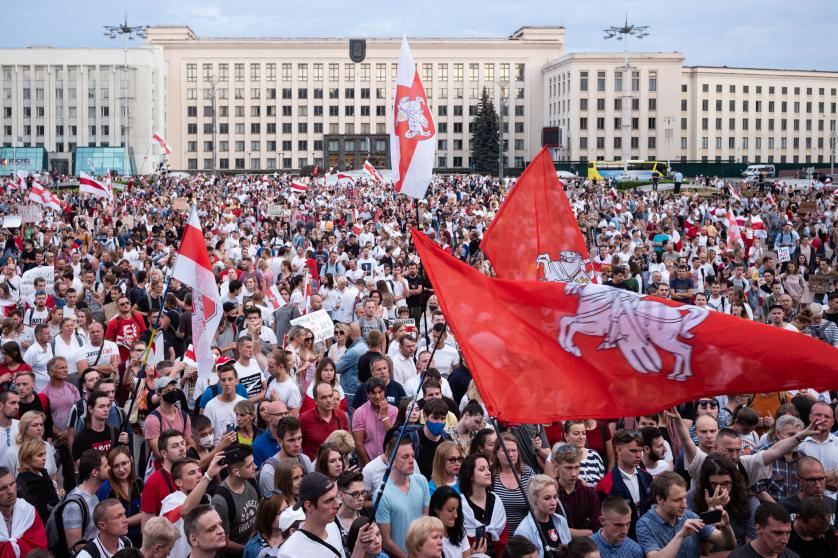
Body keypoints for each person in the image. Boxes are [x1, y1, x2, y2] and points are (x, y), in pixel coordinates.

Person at [278, 471, 379, 558]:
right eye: (329, 500)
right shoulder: (289, 553)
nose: (336, 505)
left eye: (335, 498)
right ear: (308, 506)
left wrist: (359, 546)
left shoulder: (332, 527)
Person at [636, 471, 735, 558]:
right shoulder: (645, 525)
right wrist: (680, 535)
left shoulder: (689, 515)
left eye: (684, 497)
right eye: (677, 500)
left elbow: (728, 544)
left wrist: (726, 526)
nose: (685, 505)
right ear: (659, 499)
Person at [375, 436, 430, 558]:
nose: (412, 461)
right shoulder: (382, 494)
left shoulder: (422, 481)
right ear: (391, 461)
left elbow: (425, 521)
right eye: (405, 457)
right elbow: (385, 541)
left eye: (412, 456)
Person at [161, 454, 226, 558]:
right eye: (192, 473)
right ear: (179, 482)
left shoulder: (205, 498)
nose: (199, 475)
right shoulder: (171, 501)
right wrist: (208, 476)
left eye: (199, 471)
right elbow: (185, 511)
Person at [211, 444, 260, 555]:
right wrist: (250, 550)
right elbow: (224, 543)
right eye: (249, 465)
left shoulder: (251, 480)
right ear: (236, 472)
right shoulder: (220, 501)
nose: (255, 467)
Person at [62, 449, 110, 555]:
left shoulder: (93, 495)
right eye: (106, 466)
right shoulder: (73, 506)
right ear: (94, 472)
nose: (109, 468)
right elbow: (74, 548)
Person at [459, 451, 508, 557]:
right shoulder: (461, 505)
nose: (488, 472)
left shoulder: (496, 501)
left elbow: (504, 538)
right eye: (482, 469)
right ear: (470, 475)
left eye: (488, 468)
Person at [513, 475, 571, 558]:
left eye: (555, 497)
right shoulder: (523, 531)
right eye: (547, 498)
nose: (553, 503)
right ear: (534, 500)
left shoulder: (561, 521)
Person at [96, 446, 143, 548]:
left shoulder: (138, 482)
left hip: (139, 539)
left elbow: (144, 514)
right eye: (116, 466)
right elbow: (104, 521)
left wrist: (122, 522)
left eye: (124, 463)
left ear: (131, 461)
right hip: (116, 542)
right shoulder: (106, 489)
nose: (121, 469)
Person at [259, 416, 314, 499]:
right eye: (291, 440)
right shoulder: (269, 472)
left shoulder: (304, 460)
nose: (297, 444)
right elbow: (271, 508)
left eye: (299, 438)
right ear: (280, 442)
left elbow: (312, 491)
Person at [552, 443, 600, 538]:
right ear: (557, 466)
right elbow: (548, 529)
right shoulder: (550, 493)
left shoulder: (589, 494)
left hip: (584, 548)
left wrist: (565, 531)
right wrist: (586, 532)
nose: (574, 474)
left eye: (577, 467)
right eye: (568, 468)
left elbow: (598, 530)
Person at [140, 429, 187, 526]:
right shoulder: (153, 482)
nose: (182, 448)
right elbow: (146, 526)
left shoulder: (191, 472)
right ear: (164, 454)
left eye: (183, 443)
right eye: (175, 446)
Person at [0, 465, 47, 557]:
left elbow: (40, 548)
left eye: (12, 484)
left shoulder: (28, 512)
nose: (10, 491)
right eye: (3, 488)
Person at [429, 485, 486, 558]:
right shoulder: (428, 537)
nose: (455, 515)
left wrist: (474, 555)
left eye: (457, 510)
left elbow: (466, 556)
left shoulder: (460, 532)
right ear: (436, 509)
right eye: (450, 510)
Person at [352, 377, 398, 466]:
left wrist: (384, 416)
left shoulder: (394, 411)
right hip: (368, 463)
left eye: (380, 392)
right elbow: (358, 443)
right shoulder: (360, 412)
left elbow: (394, 437)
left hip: (390, 463)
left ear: (384, 392)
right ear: (368, 394)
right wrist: (369, 465)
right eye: (373, 393)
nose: (377, 396)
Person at [728, 502, 799, 557]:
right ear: (758, 528)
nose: (785, 541)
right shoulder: (737, 556)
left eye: (788, 533)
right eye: (778, 533)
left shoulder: (792, 556)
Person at [299, 382, 349, 460]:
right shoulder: (304, 419)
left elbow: (348, 443)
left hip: (337, 467)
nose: (329, 400)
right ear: (315, 400)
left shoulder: (342, 415)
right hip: (314, 469)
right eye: (323, 397)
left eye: (330, 396)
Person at [14, 438, 59, 523]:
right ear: (27, 458)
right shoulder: (23, 483)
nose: (44, 458)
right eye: (39, 455)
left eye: (45, 454)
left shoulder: (42, 472)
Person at [204, 363, 246, 443]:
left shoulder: (244, 403)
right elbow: (207, 439)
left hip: (242, 449)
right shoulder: (210, 406)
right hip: (219, 452)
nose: (227, 383)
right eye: (223, 380)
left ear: (237, 381)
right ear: (220, 382)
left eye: (230, 379)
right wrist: (222, 444)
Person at [243, 493, 287, 558]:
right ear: (267, 516)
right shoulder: (252, 548)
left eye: (286, 510)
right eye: (279, 513)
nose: (285, 515)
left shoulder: (294, 534)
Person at [335, 470, 368, 553]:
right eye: (355, 494)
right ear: (340, 495)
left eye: (363, 492)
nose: (361, 498)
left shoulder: (366, 514)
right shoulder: (332, 522)